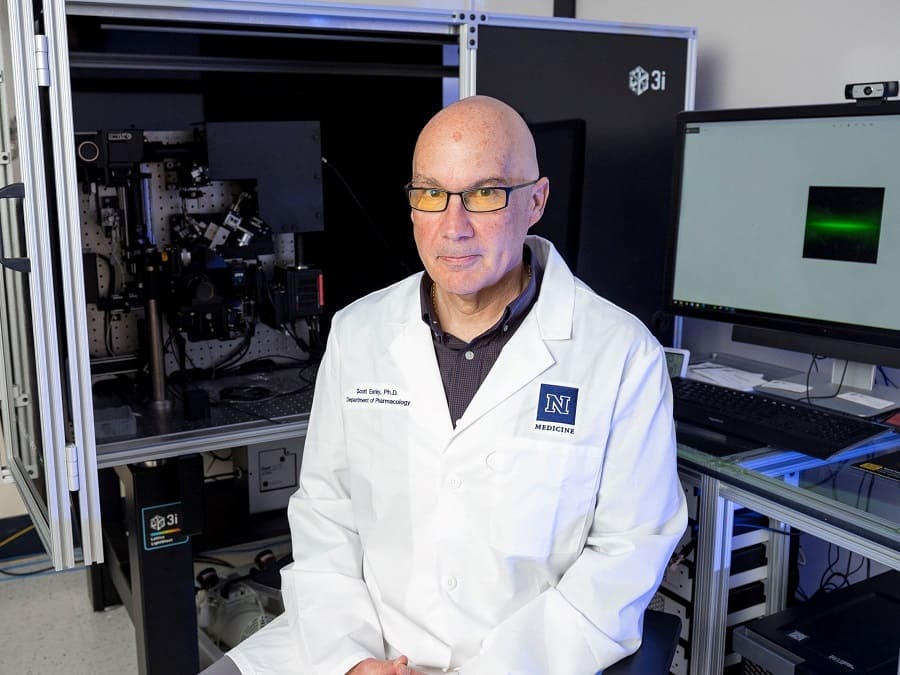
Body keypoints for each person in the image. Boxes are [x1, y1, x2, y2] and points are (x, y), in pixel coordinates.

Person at [211, 94, 687, 675]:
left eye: (485, 194)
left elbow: (628, 550)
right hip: (365, 642)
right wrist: (351, 659)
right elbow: (326, 512)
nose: (452, 226)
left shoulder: (618, 353)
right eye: (431, 194)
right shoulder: (359, 332)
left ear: (536, 201)